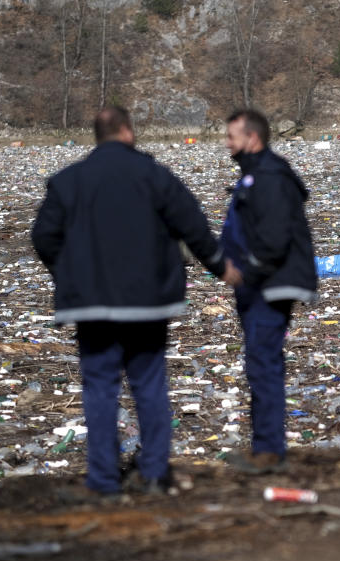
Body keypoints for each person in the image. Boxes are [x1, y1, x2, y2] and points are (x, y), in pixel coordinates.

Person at [32, 107, 224, 495]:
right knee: (149, 383)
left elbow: (43, 237)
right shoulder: (154, 176)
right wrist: (220, 265)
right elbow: (193, 224)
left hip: (92, 303)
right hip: (147, 300)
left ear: (97, 135)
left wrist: (69, 275)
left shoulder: (69, 181)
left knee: (99, 388)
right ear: (127, 132)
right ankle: (154, 472)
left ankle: (103, 479)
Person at [218, 109, 317, 474]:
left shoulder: (270, 177)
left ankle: (269, 451)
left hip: (268, 287)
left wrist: (246, 272)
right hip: (260, 285)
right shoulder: (254, 176)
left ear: (252, 138)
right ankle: (266, 447)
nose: (226, 143)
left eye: (231, 136)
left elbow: (274, 239)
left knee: (263, 365)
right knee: (260, 363)